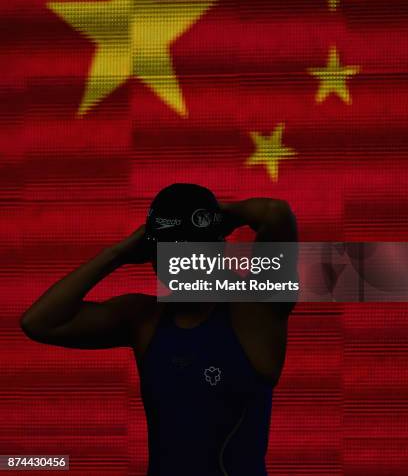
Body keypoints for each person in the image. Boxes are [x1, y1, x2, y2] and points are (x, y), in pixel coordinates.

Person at [20, 183, 298, 476]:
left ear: (218, 249)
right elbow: (39, 323)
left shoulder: (257, 311)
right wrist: (117, 254)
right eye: (166, 251)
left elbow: (274, 212)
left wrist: (211, 216)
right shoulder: (143, 317)